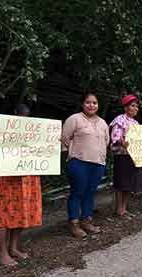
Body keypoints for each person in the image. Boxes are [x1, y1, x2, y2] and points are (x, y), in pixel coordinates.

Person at [0, 104, 42, 267]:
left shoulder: (33, 132)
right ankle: (3, 253)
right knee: (3, 215)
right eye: (20, 116)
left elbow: (44, 152)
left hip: (27, 179)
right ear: (13, 116)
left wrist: (54, 142)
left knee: (21, 212)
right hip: (8, 180)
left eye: (26, 117)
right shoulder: (1, 130)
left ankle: (13, 248)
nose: (23, 120)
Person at [61, 92, 109, 238]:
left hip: (98, 163)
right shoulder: (74, 119)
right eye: (88, 102)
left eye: (94, 103)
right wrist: (73, 153)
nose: (91, 105)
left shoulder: (102, 123)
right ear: (83, 104)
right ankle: (74, 222)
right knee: (78, 192)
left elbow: (106, 141)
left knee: (90, 192)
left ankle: (86, 220)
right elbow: (64, 139)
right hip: (78, 162)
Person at [110, 94, 142, 218]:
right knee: (121, 182)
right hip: (122, 155)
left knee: (128, 183)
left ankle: (124, 209)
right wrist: (121, 142)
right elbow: (115, 137)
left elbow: (140, 139)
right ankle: (119, 209)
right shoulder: (119, 120)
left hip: (132, 156)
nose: (136, 108)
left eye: (137, 106)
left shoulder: (135, 122)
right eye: (133, 106)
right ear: (125, 108)